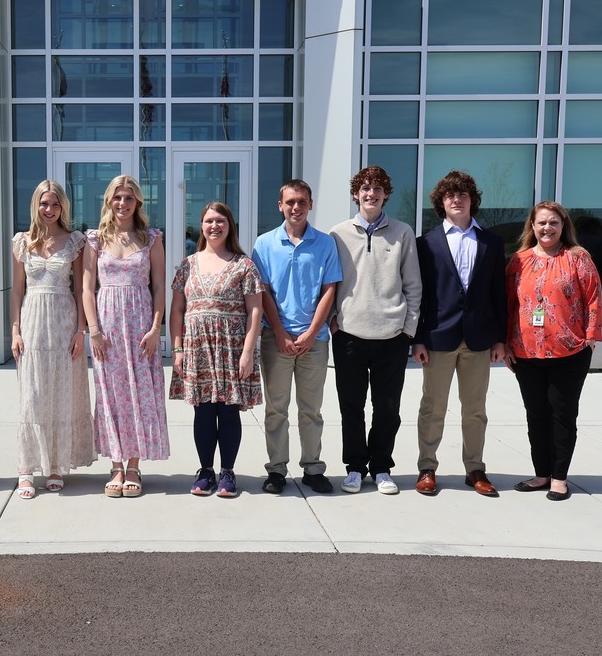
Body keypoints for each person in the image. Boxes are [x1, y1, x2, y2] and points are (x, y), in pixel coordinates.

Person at [412, 171, 506, 497]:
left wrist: (500, 339)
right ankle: (427, 467)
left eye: (463, 194)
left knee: (475, 409)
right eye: (450, 195)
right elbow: (420, 295)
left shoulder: (491, 243)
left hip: (479, 340)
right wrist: (418, 338)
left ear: (472, 200)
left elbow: (499, 294)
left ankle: (475, 469)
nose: (456, 199)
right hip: (438, 338)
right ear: (441, 202)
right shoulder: (426, 243)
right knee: (432, 406)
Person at [330, 165, 422, 495]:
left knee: (387, 408)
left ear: (386, 195)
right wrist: (333, 324)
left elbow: (413, 284)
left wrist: (408, 329)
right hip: (350, 336)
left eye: (378, 189)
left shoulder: (402, 232)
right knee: (351, 407)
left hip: (391, 337)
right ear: (356, 194)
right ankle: (355, 467)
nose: (371, 194)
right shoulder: (338, 234)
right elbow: (330, 284)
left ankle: (381, 467)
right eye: (365, 188)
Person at [506, 201, 602, 501]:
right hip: (526, 353)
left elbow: (594, 298)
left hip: (569, 352)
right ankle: (542, 474)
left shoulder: (578, 258)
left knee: (562, 415)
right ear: (532, 226)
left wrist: (590, 336)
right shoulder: (518, 261)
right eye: (541, 223)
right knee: (536, 415)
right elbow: (508, 306)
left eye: (553, 223)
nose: (547, 228)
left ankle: (559, 478)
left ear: (563, 226)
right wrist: (506, 343)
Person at [251, 179, 342, 494]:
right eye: (290, 202)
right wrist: (279, 331)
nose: (296, 207)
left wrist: (312, 332)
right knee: (276, 409)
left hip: (313, 343)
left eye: (302, 201)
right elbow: (262, 291)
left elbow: (330, 289)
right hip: (275, 339)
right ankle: (276, 470)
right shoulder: (264, 244)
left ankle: (313, 469)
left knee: (311, 409)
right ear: (280, 205)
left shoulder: (325, 243)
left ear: (310, 204)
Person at [82, 174, 169, 497]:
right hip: (106, 326)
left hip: (140, 323)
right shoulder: (95, 240)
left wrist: (155, 328)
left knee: (140, 395)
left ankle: (133, 464)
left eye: (129, 198)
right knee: (111, 394)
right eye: (117, 198)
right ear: (109, 201)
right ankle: (116, 464)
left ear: (138, 203)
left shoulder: (151, 239)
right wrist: (93, 330)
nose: (122, 203)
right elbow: (87, 288)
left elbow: (158, 286)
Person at [170, 202, 264, 497]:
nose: (214, 226)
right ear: (202, 226)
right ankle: (206, 471)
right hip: (197, 348)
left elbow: (255, 311)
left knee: (228, 410)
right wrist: (177, 349)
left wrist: (248, 352)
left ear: (229, 225)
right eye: (209, 221)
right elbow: (177, 311)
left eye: (220, 221)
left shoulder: (243, 265)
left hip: (231, 348)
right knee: (203, 411)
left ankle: (227, 472)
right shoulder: (187, 264)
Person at [10, 180, 95, 499]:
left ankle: (57, 465)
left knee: (61, 392)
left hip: (64, 320)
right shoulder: (21, 241)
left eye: (55, 204)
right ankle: (26, 468)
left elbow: (80, 289)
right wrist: (15, 330)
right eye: (44, 203)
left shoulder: (75, 241)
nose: (49, 210)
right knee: (32, 396)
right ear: (36, 205)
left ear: (63, 208)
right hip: (32, 319)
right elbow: (17, 290)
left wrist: (80, 330)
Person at [575, 216, 602, 328]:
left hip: (576, 282)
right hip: (601, 281)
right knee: (601, 311)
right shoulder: (601, 241)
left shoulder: (573, 241)